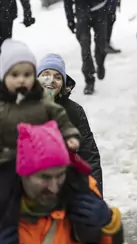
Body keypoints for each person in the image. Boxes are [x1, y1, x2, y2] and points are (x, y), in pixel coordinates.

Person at [0, 40, 80, 238]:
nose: (21, 81)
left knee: (72, 194)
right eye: (15, 75)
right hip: (10, 162)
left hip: (44, 163)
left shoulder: (43, 103)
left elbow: (61, 118)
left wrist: (69, 136)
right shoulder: (3, 106)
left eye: (27, 75)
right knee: (7, 203)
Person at [0, 121, 124, 244]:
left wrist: (110, 224)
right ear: (23, 174)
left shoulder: (82, 189)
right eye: (45, 177)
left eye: (60, 175)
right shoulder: (4, 206)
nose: (54, 188)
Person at [37, 53, 103, 192]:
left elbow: (89, 156)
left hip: (65, 188)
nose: (51, 80)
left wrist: (95, 194)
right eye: (46, 74)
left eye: (58, 77)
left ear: (63, 85)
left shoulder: (74, 111)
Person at [63, 0, 115, 95]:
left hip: (100, 9)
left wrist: (110, 10)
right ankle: (89, 80)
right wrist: (70, 18)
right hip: (82, 11)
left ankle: (100, 63)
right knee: (84, 46)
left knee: (101, 46)